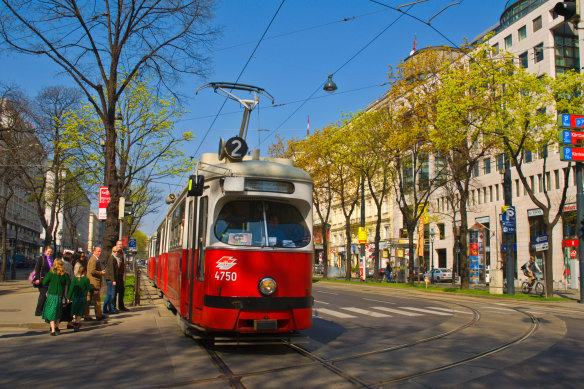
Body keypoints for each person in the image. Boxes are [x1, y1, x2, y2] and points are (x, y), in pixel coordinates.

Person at [41, 259, 71, 336]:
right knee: (58, 311)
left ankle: (53, 329)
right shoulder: (64, 274)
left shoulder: (51, 273)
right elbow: (68, 282)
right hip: (60, 295)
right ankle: (57, 326)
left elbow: (44, 282)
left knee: (51, 312)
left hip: (52, 295)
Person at [67, 264, 92, 332]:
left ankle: (75, 321)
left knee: (75, 310)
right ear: (85, 272)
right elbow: (89, 288)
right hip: (83, 297)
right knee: (80, 312)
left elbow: (71, 289)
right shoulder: (86, 279)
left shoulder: (75, 279)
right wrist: (92, 290)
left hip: (75, 297)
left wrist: (68, 297)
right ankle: (77, 323)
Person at [33, 246, 54, 317]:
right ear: (45, 251)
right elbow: (37, 269)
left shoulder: (51, 259)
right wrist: (38, 278)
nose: (49, 253)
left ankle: (42, 310)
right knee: (42, 295)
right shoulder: (41, 258)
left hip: (48, 280)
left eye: (51, 252)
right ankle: (38, 311)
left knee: (45, 296)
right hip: (42, 280)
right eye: (48, 251)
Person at [86, 246, 106, 321]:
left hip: (92, 282)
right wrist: (101, 272)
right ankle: (98, 315)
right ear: (94, 251)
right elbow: (92, 271)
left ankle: (88, 315)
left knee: (90, 299)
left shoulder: (94, 259)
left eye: (100, 251)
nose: (99, 253)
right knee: (96, 299)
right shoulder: (94, 260)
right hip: (93, 282)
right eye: (98, 251)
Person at [103, 246, 119, 314]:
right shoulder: (112, 259)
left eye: (117, 251)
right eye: (115, 251)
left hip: (109, 278)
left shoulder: (112, 258)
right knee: (111, 295)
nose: (116, 253)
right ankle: (111, 309)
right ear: (112, 252)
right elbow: (112, 271)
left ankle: (104, 309)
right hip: (110, 279)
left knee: (108, 294)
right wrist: (113, 280)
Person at [114, 240, 129, 312]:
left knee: (121, 291)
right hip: (116, 275)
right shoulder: (115, 253)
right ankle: (113, 307)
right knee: (115, 292)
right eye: (119, 244)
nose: (120, 246)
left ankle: (121, 306)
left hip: (120, 275)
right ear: (116, 245)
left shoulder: (122, 253)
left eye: (121, 244)